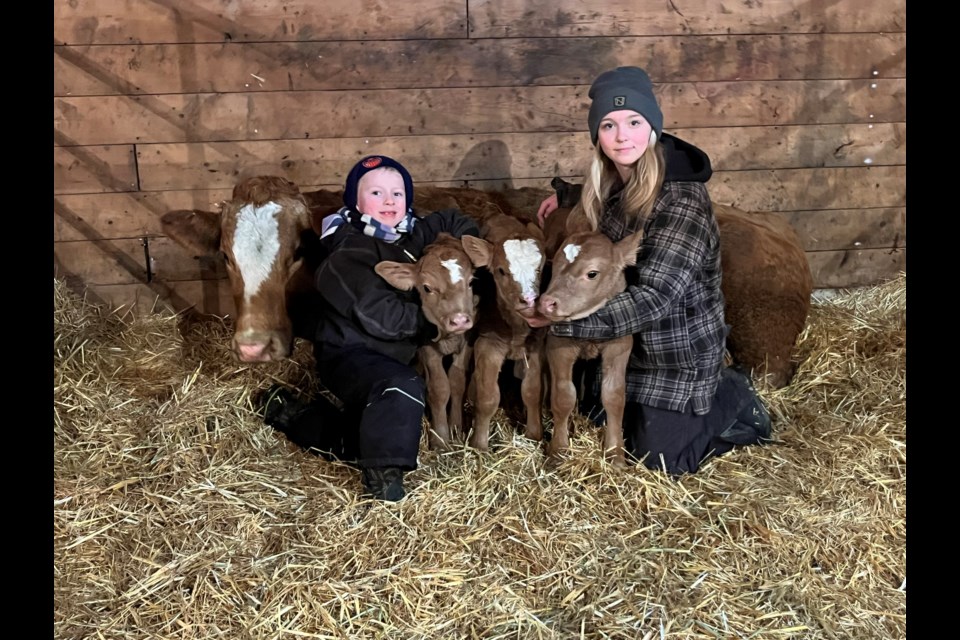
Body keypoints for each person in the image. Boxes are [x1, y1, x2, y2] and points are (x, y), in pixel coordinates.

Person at [533, 66, 771, 476]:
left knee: (659, 461)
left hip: (676, 355)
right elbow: (610, 207)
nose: (622, 136)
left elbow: (655, 299)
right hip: (628, 346)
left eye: (634, 122)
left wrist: (559, 323)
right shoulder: (613, 185)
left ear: (653, 128)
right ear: (597, 137)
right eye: (608, 125)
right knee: (595, 409)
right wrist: (567, 197)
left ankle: (730, 395)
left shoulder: (682, 203)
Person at [260, 155, 480, 501]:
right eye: (376, 193)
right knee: (402, 389)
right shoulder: (347, 251)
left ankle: (299, 417)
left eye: (397, 192)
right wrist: (437, 324)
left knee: (378, 426)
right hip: (351, 355)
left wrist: (467, 247)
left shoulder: (413, 232)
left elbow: (452, 218)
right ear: (355, 202)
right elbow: (380, 315)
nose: (389, 200)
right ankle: (384, 484)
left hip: (396, 354)